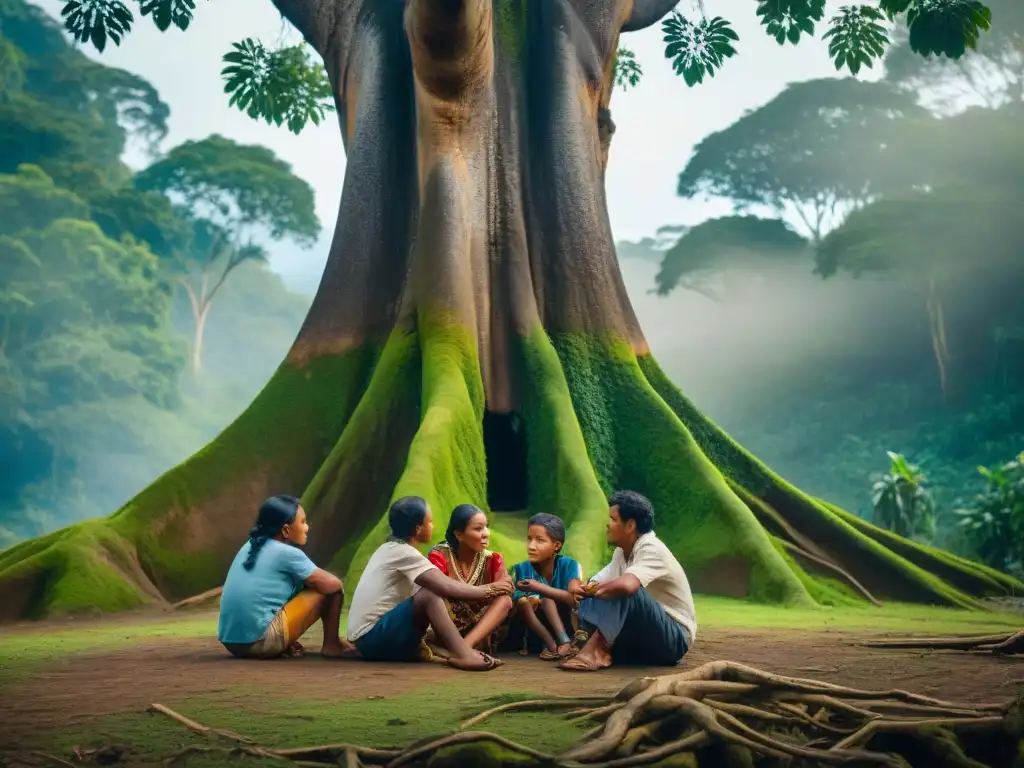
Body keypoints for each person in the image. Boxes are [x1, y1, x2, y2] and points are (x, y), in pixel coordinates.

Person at [346, 496, 511, 671]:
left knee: (427, 596)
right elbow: (446, 586)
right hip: (371, 639)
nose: (433, 526)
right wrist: (492, 589)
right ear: (418, 528)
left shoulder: (391, 549)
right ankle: (465, 654)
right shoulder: (403, 553)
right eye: (430, 522)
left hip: (372, 637)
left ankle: (455, 649)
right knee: (429, 595)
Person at [559, 490, 696, 672]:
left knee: (626, 588)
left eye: (613, 519)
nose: (608, 525)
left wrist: (594, 590)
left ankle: (594, 652)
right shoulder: (621, 552)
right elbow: (595, 582)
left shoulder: (651, 548)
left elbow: (627, 586)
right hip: (644, 637)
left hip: (674, 639)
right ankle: (584, 643)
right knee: (596, 593)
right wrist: (579, 586)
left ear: (630, 525)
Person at [218, 494, 353, 660]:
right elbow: (333, 585)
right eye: (303, 522)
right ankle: (332, 645)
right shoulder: (287, 553)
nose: (307, 527)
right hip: (260, 642)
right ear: (286, 530)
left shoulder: (249, 546)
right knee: (326, 590)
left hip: (233, 643)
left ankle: (283, 639)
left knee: (303, 584)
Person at [427, 504, 514, 653]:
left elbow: (506, 587)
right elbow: (438, 588)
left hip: (479, 628)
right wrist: (489, 589)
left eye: (486, 527)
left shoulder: (493, 559)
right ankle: (461, 649)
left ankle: (465, 648)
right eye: (478, 529)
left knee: (505, 600)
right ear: (459, 535)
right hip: (446, 627)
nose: (486, 533)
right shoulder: (439, 556)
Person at [509, 513, 583, 660]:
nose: (531, 546)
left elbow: (574, 600)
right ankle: (552, 645)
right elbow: (515, 597)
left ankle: (564, 642)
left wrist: (538, 587)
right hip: (534, 634)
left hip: (565, 625)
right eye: (529, 539)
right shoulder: (522, 568)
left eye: (540, 540)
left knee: (547, 600)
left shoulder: (569, 565)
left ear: (557, 545)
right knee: (528, 602)